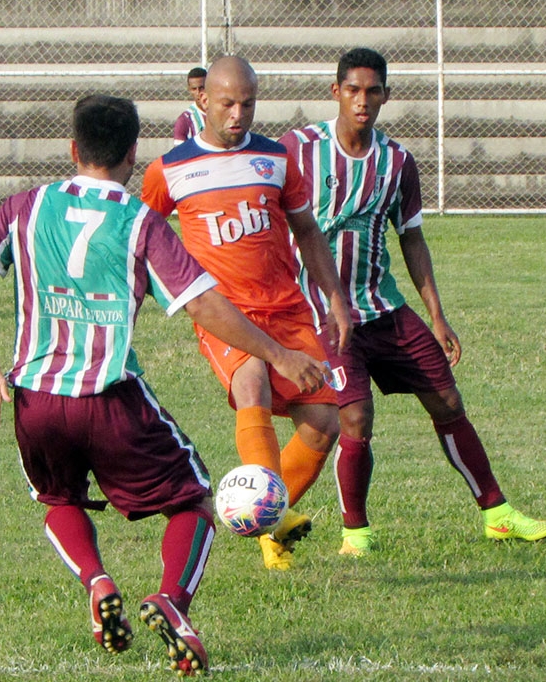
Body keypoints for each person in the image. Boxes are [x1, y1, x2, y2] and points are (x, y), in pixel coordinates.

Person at [0, 94, 332, 675]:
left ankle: (97, 580)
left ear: (73, 148)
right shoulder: (140, 222)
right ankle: (172, 602)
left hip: (35, 399)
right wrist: (278, 353)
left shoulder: (24, 207)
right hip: (110, 399)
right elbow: (204, 305)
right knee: (195, 501)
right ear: (134, 154)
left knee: (59, 499)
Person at [279, 47, 546, 557]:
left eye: (373, 91)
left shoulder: (397, 161)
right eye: (354, 90)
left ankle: (497, 514)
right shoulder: (297, 149)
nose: (363, 101)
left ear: (386, 95)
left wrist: (437, 315)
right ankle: (356, 533)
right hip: (323, 315)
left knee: (448, 401)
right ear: (336, 91)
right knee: (355, 419)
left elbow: (412, 238)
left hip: (384, 308)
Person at [141, 56, 354, 570]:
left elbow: (307, 230)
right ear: (203, 101)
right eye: (228, 103)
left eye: (248, 104)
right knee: (252, 382)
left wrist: (336, 298)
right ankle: (269, 517)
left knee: (325, 421)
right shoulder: (169, 168)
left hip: (286, 308)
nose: (238, 114)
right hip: (224, 313)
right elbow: (142, 236)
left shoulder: (278, 158)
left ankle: (268, 522)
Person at [172, 66, 207, 145]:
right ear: (189, 90)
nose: (198, 93)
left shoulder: (223, 114)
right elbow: (180, 154)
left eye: (202, 88)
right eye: (194, 89)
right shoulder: (185, 121)